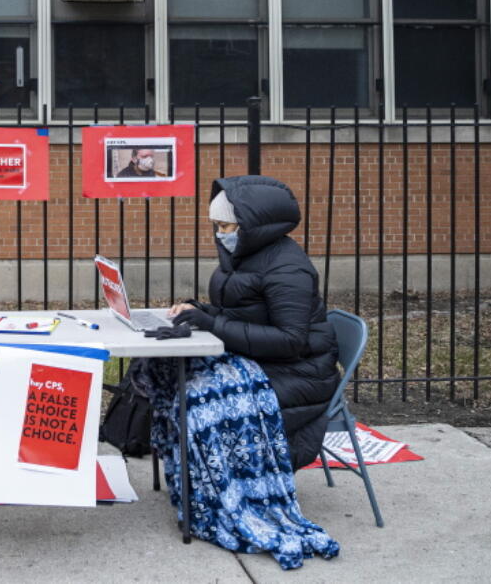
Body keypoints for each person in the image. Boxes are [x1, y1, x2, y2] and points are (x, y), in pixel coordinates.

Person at [133, 175, 340, 569]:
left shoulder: (288, 269)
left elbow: (290, 340)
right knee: (163, 371)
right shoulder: (248, 256)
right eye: (218, 227)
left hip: (296, 374)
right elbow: (241, 315)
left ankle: (222, 498)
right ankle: (191, 481)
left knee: (198, 402)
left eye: (227, 227)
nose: (221, 235)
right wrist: (198, 312)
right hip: (261, 363)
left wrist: (212, 325)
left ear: (254, 226)